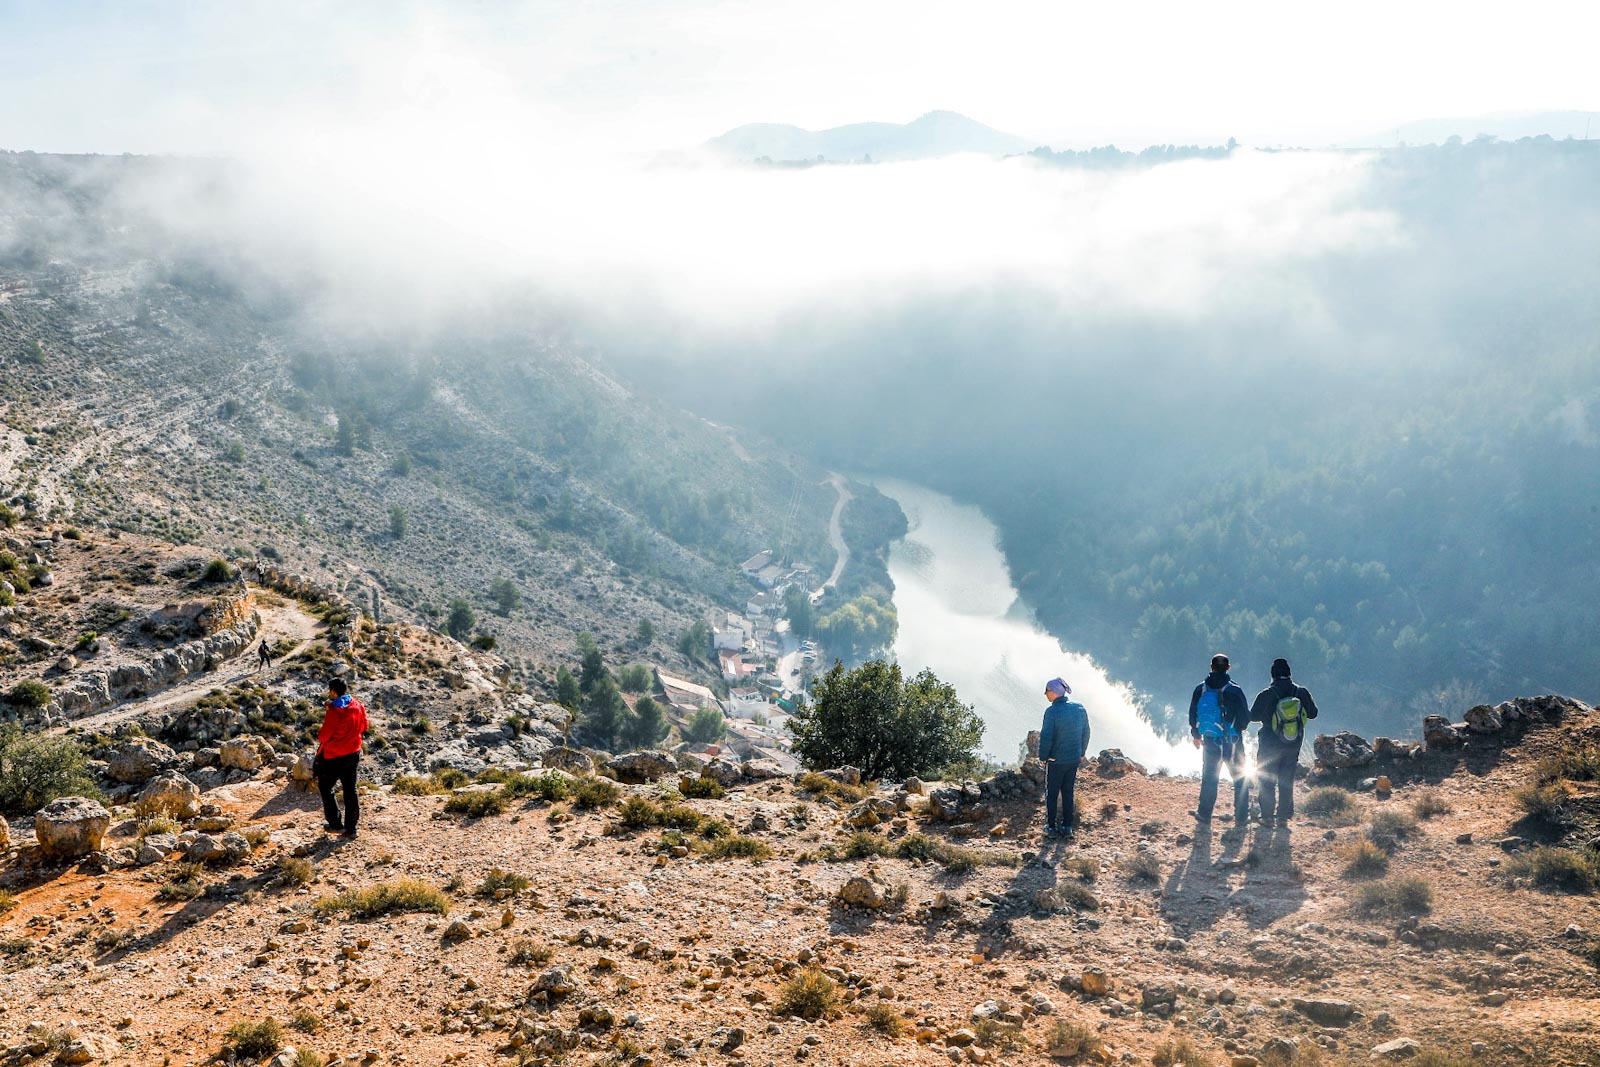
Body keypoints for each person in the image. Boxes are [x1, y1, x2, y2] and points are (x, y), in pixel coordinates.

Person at [1249, 657, 1319, 827]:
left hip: (1269, 743)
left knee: (1267, 780)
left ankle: (1266, 817)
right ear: (1289, 674)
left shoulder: (1267, 694)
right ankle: (1283, 817)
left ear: (1272, 676)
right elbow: (1313, 713)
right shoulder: (1300, 692)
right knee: (1286, 779)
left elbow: (1253, 716)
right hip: (1293, 743)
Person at [1188, 653, 1250, 827]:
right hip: (1233, 742)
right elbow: (1245, 718)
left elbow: (1193, 713)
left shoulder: (1201, 689)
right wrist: (1236, 730)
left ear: (1211, 667)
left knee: (1209, 777)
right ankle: (1242, 817)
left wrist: (1196, 736)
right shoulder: (1235, 690)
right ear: (1228, 668)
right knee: (1240, 778)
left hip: (1210, 741)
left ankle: (1204, 814)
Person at [315, 677, 368, 838]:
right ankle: (352, 829)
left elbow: (323, 737)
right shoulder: (357, 705)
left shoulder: (334, 712)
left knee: (325, 786)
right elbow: (365, 725)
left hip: (335, 756)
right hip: (353, 752)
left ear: (333, 691)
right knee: (350, 789)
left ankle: (336, 824)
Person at [1037, 677, 1090, 838]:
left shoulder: (1051, 712)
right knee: (1068, 792)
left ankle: (1051, 827)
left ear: (1053, 693)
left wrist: (1043, 757)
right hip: (1073, 759)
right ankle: (1067, 827)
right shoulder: (1079, 708)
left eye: (1047, 691)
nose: (1045, 694)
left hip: (1056, 761)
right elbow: (1086, 732)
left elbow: (1047, 737)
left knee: (1052, 793)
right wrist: (1081, 753)